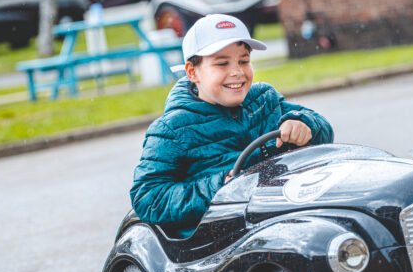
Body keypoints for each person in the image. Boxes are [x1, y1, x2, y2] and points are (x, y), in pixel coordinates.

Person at [130, 14, 333, 237]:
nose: (236, 71)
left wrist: (304, 124)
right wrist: (220, 186)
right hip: (218, 239)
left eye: (243, 61)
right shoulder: (172, 129)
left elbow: (323, 131)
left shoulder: (265, 99)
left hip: (280, 215)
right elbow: (148, 197)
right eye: (222, 63)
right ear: (192, 72)